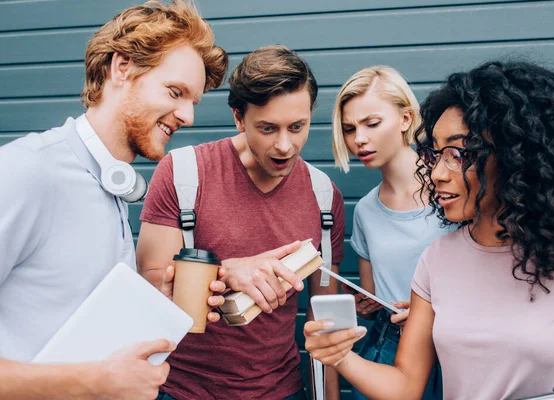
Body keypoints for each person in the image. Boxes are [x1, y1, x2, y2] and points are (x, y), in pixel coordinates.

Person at [304, 60, 554, 399]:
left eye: (460, 153)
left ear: (519, 154)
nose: (436, 174)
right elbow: (405, 386)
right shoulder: (437, 260)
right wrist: (338, 354)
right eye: (437, 153)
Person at [0, 1, 228, 398]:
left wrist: (156, 302)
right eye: (176, 92)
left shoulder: (112, 187)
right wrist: (97, 382)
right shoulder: (29, 171)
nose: (188, 115)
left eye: (194, 101)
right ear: (122, 68)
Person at [137, 45, 346, 400]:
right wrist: (226, 271)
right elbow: (151, 285)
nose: (285, 146)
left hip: (282, 390)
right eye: (267, 128)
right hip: (182, 390)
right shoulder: (183, 173)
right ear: (238, 117)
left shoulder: (324, 195)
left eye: (297, 127)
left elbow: (325, 322)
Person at [331, 66, 451, 400]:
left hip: (454, 345)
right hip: (391, 346)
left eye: (372, 123)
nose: (359, 139)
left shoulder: (453, 189)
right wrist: (362, 304)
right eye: (350, 128)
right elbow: (371, 296)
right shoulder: (367, 211)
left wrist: (437, 311)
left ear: (405, 118)